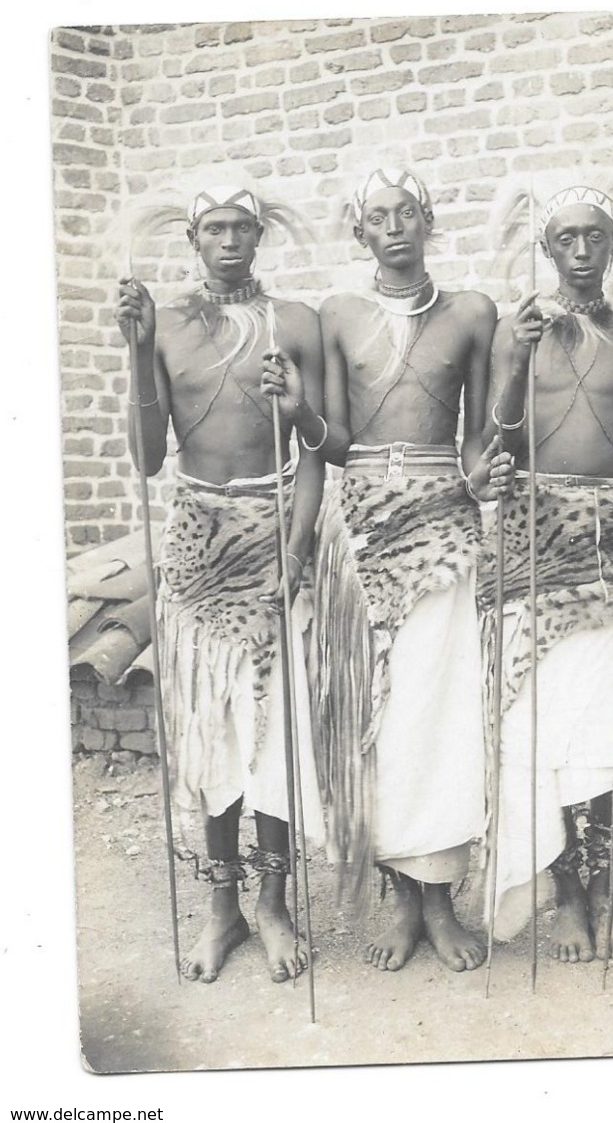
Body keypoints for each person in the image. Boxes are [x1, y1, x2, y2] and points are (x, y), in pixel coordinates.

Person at [262, 166, 512, 972]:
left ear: (430, 220)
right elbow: (331, 443)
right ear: (359, 231)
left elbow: (476, 439)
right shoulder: (338, 314)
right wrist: (300, 407)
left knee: (441, 712)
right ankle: (400, 899)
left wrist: (483, 476)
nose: (395, 226)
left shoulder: (472, 312)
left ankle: (441, 899)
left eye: (408, 212)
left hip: (444, 518)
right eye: (379, 217)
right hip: (361, 523)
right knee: (374, 715)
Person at [115, 185, 325, 984]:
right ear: (193, 240)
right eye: (215, 230)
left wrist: (298, 554)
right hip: (199, 541)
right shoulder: (164, 324)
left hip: (275, 536)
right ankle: (221, 906)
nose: (229, 241)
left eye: (243, 228)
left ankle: (273, 903)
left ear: (261, 234)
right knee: (211, 728)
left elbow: (314, 452)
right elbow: (143, 457)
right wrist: (137, 352)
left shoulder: (294, 322)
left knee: (271, 731)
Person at [485, 183, 613, 962]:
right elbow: (495, 440)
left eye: (592, 236)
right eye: (564, 237)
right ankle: (564, 896)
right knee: (536, 724)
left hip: (603, 540)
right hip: (527, 538)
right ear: (545, 248)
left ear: (612, 244)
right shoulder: (514, 331)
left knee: (600, 728)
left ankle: (604, 894)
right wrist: (516, 361)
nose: (578, 249)